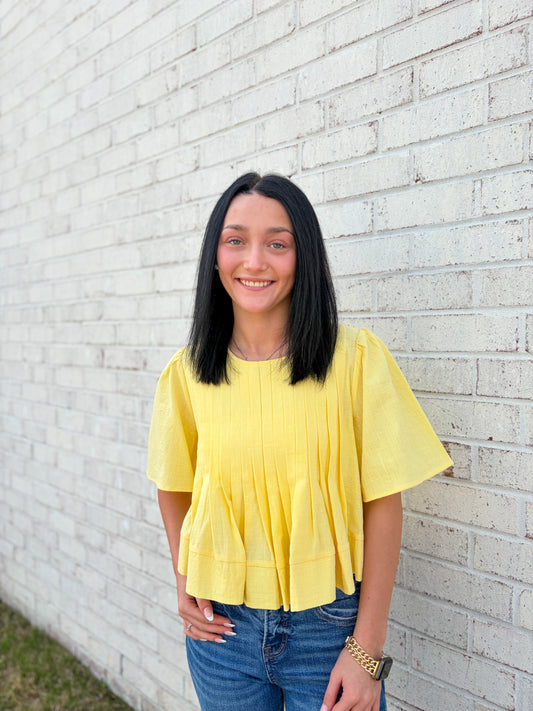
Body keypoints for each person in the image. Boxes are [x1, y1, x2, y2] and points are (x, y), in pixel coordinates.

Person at [147, 172, 453, 711]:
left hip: (329, 631)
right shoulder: (187, 373)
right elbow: (174, 487)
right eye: (236, 240)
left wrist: (366, 649)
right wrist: (184, 580)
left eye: (277, 244)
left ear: (303, 256)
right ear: (215, 255)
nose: (254, 261)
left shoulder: (355, 360)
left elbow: (383, 504)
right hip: (222, 631)